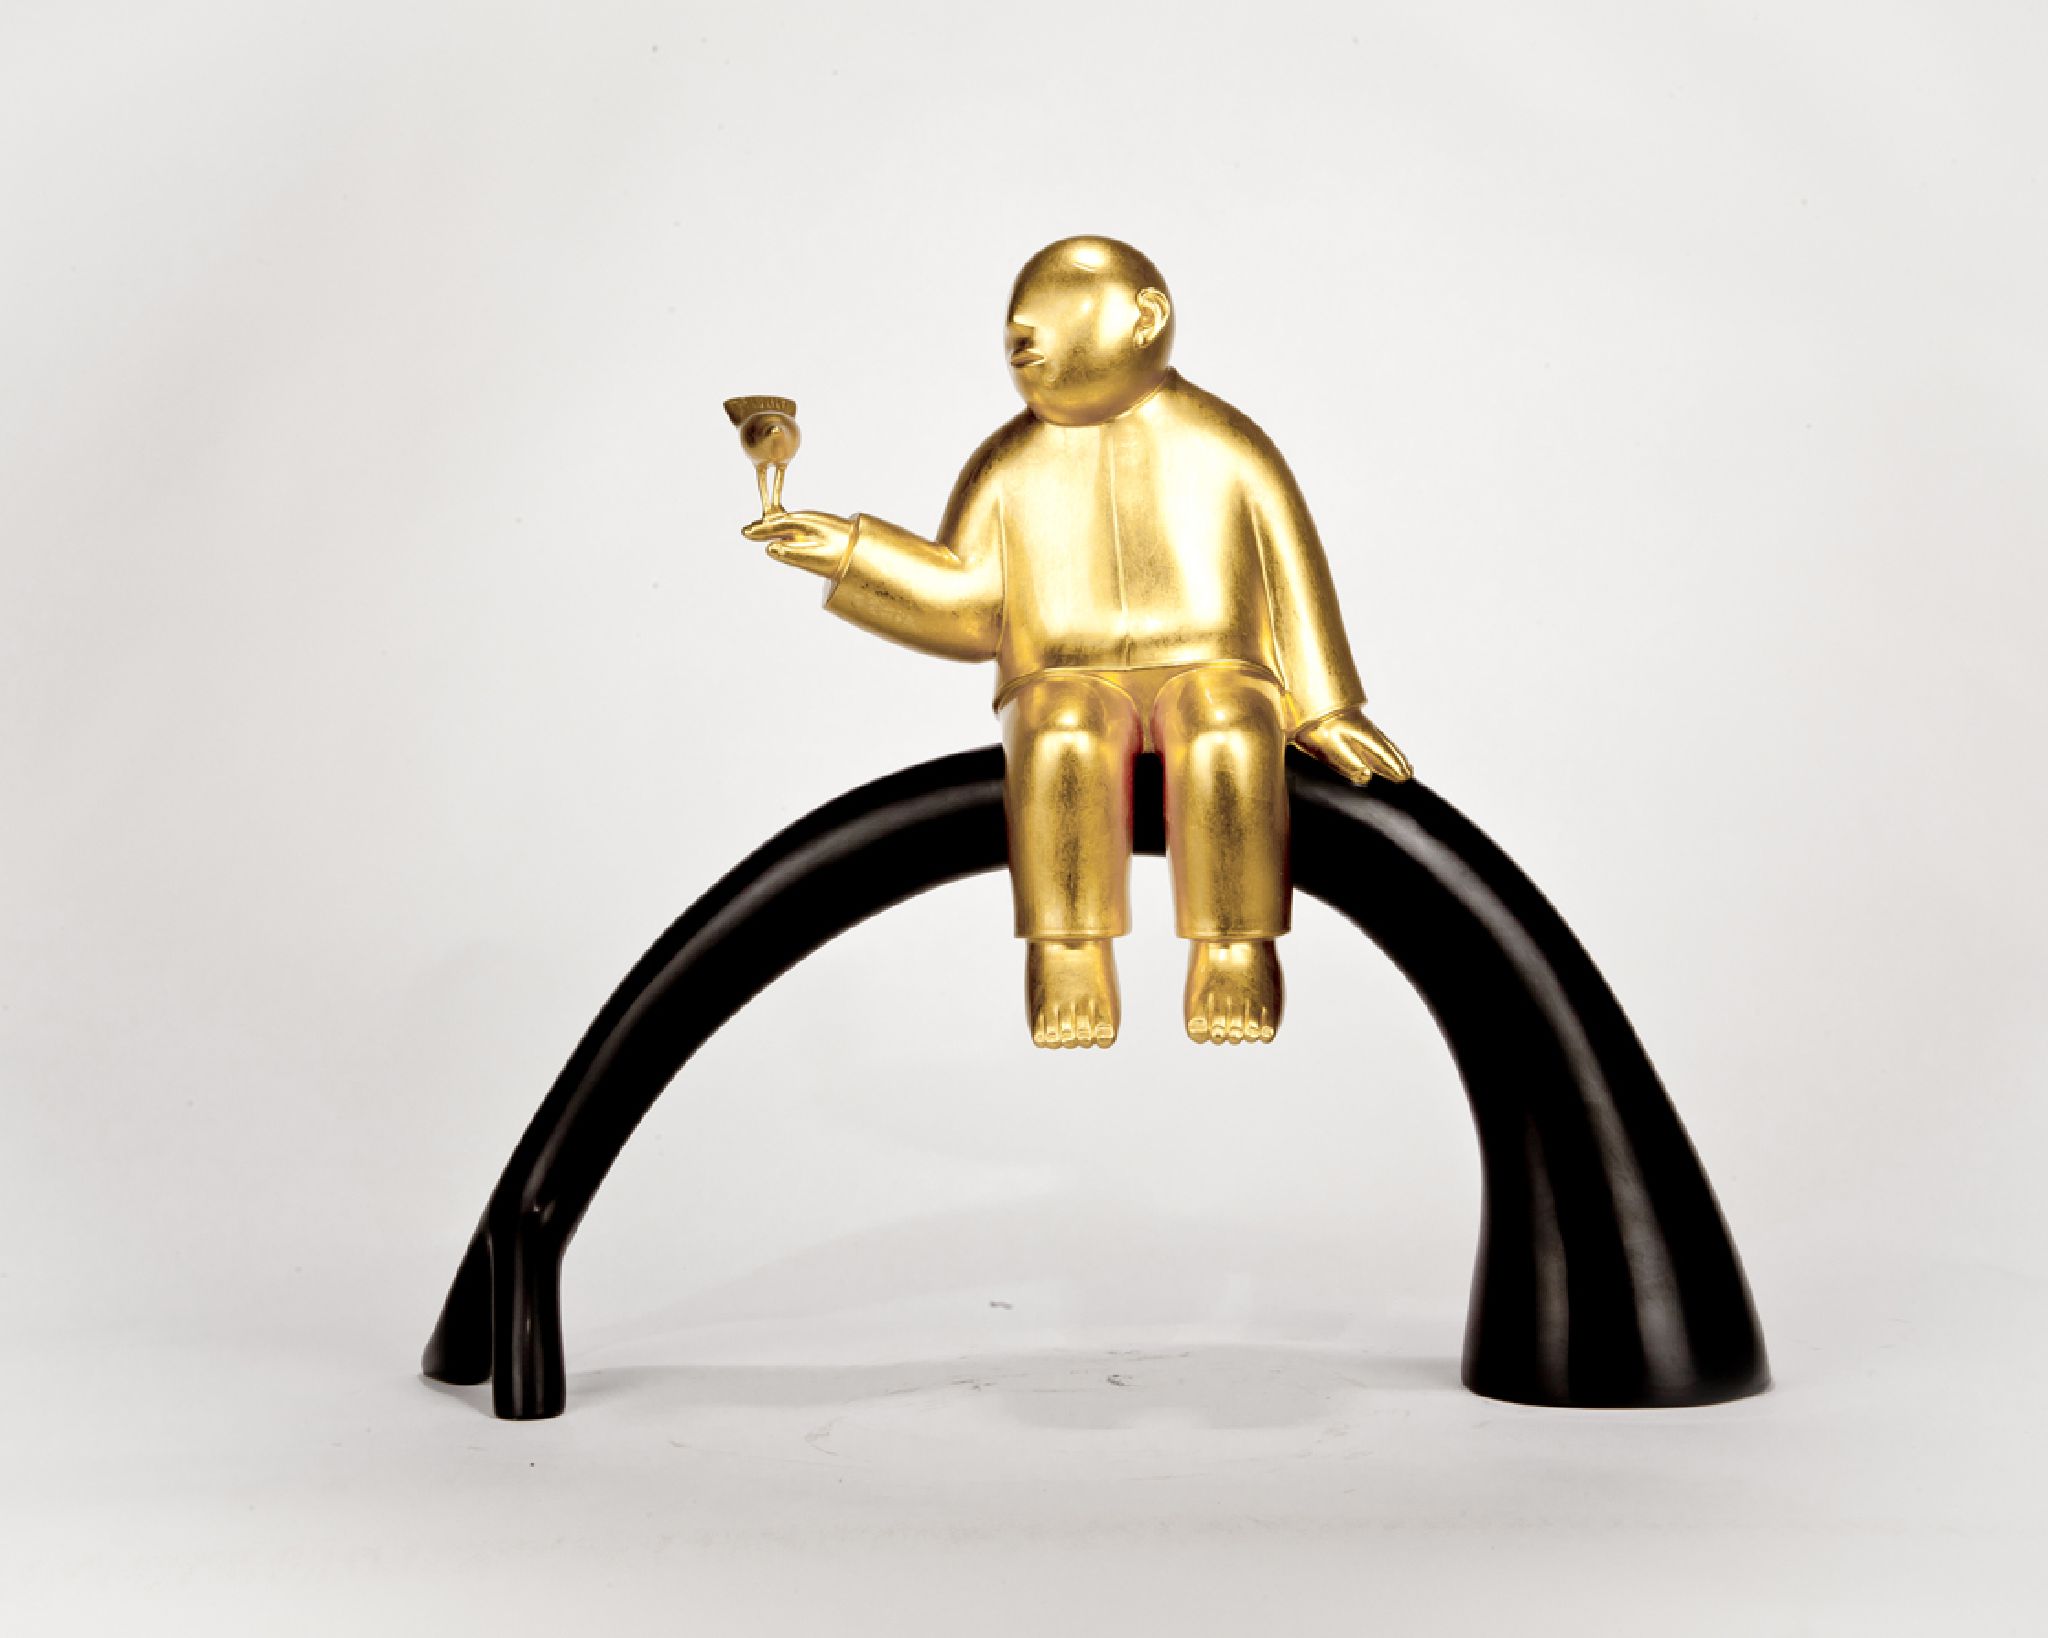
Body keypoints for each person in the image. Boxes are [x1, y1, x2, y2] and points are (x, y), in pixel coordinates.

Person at [745, 236, 1410, 1050]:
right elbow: (968, 603)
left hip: (1217, 666)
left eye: (1045, 319)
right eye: (1014, 330)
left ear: (1145, 317)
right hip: (1061, 675)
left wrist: (1327, 707)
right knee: (1059, 736)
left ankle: (1234, 946)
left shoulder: (1226, 443)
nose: (1019, 341)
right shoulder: (1008, 465)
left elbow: (1291, 575)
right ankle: (1067, 950)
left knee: (1230, 731)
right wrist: (852, 554)